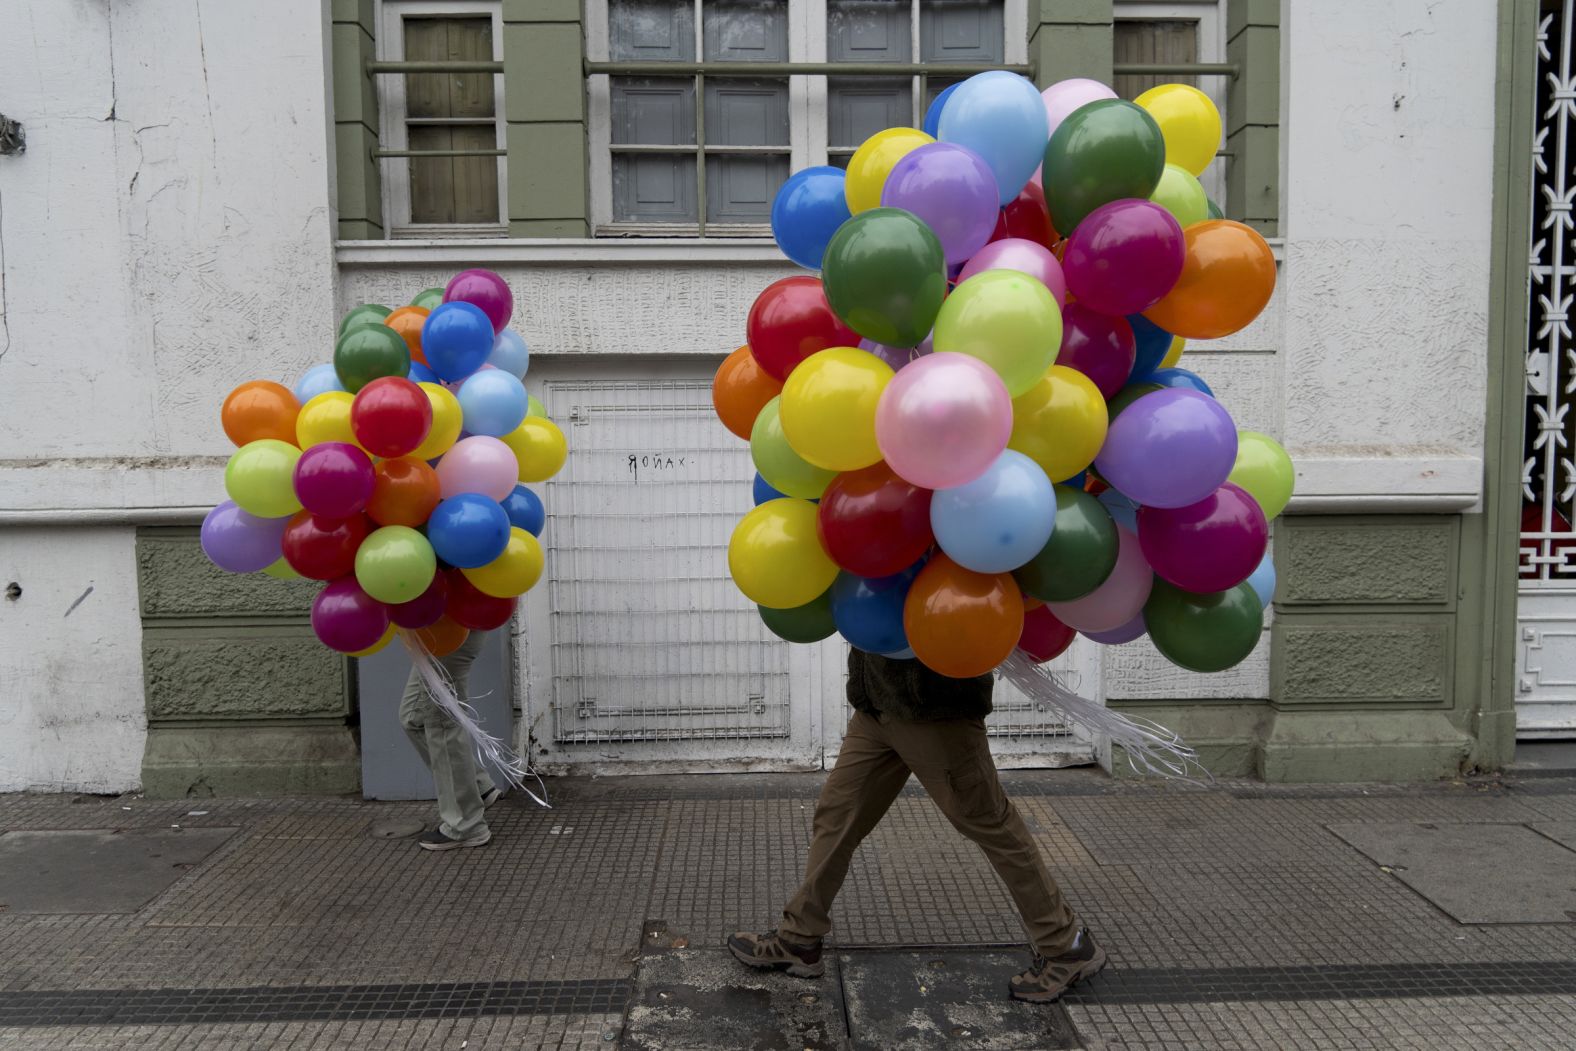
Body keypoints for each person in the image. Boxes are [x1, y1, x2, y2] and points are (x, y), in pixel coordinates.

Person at [729, 649, 1105, 1003]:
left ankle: (1065, 945)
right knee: (836, 814)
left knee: (991, 824)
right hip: (876, 706)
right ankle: (799, 939)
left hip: (937, 710)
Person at [400, 629, 503, 850]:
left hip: (450, 629)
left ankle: (466, 826)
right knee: (413, 717)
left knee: (442, 725)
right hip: (437, 631)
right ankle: (478, 787)